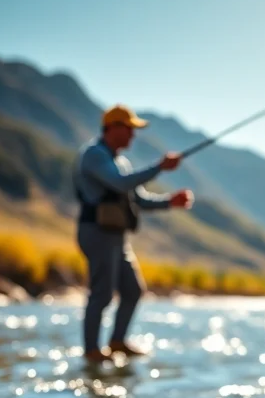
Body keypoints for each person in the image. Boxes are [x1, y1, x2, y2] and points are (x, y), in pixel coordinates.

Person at [73, 104, 194, 363]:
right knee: (102, 293)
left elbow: (136, 198)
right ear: (113, 128)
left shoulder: (120, 161)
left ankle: (117, 342)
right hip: (96, 232)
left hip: (116, 235)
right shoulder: (94, 155)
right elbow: (121, 183)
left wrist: (169, 201)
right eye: (129, 129)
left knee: (132, 290)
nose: (133, 135)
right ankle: (92, 352)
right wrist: (160, 167)